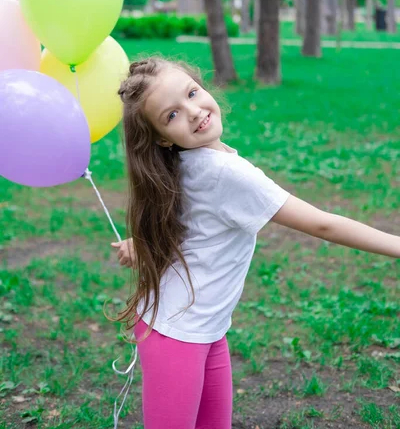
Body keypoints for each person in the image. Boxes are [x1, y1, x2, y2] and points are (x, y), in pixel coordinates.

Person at [111, 55, 400, 429]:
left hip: (203, 327)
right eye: (172, 115)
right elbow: (322, 226)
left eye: (193, 93)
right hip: (177, 335)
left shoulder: (187, 161)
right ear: (163, 138)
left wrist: (143, 242)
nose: (195, 111)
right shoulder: (228, 173)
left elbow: (187, 219)